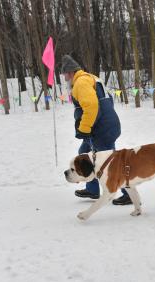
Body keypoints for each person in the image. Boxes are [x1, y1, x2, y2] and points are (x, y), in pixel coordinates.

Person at [61, 54, 132, 205]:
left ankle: (129, 193)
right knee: (83, 153)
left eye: (65, 75)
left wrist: (84, 129)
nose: (65, 78)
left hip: (100, 129)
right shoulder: (91, 78)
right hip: (103, 125)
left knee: (111, 164)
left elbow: (92, 106)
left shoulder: (80, 83)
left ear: (71, 72)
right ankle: (92, 189)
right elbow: (107, 101)